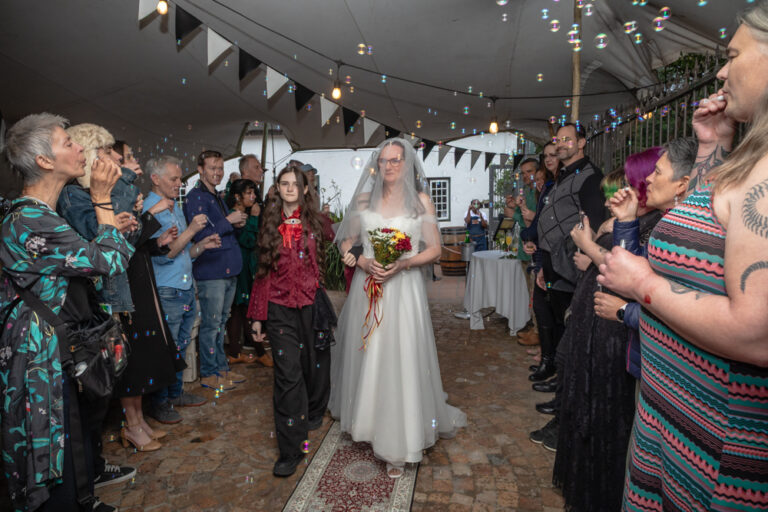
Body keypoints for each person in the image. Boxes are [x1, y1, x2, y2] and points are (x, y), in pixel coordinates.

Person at [599, 5, 768, 509]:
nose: (721, 70)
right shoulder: (748, 164)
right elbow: (701, 223)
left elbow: (757, 334)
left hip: (719, 444)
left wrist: (641, 284)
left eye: (734, 55)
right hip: (671, 417)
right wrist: (713, 145)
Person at [0, 113, 134, 511]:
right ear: (44, 160)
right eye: (67, 143)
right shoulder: (29, 218)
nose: (80, 149)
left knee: (69, 448)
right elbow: (110, 260)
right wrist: (102, 198)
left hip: (52, 356)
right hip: (38, 364)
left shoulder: (40, 214)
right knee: (52, 460)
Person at [329, 138, 467, 479]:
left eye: (396, 161)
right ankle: (369, 422)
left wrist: (404, 264)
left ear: (407, 165)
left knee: (401, 356)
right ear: (377, 165)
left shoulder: (420, 202)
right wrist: (361, 260)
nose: (389, 167)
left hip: (404, 290)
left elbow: (434, 249)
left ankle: (400, 441)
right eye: (384, 161)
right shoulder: (364, 200)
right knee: (371, 353)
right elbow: (346, 241)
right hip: (370, 287)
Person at [552, 148, 674, 511]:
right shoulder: (633, 220)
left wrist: (589, 247)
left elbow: (632, 275)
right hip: (599, 326)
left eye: (655, 175)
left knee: (607, 417)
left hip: (616, 333)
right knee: (588, 408)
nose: (649, 182)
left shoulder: (659, 225)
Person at [54, 122, 139, 497]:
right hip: (87, 305)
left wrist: (123, 226)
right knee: (93, 390)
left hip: (102, 297)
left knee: (101, 387)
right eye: (103, 152)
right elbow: (97, 253)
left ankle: (92, 468)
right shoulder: (73, 195)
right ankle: (86, 478)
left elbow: (112, 247)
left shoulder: (87, 195)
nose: (112, 158)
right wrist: (120, 192)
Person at [247, 164, 336, 477]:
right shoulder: (269, 224)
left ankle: (314, 409)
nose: (289, 189)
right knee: (287, 377)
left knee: (315, 367)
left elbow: (339, 237)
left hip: (311, 306)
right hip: (279, 309)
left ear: (305, 189)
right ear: (277, 189)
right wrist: (258, 316)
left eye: (294, 184)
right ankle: (291, 450)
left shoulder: (318, 222)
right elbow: (262, 273)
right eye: (283, 184)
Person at [113, 157, 185, 452]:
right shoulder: (112, 202)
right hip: (126, 288)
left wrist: (158, 241)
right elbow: (121, 242)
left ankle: (139, 420)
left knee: (142, 358)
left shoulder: (126, 198)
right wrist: (150, 215)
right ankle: (130, 425)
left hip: (142, 281)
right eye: (124, 159)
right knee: (133, 361)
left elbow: (138, 243)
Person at [529, 123, 604, 384]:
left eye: (567, 139)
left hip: (571, 265)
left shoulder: (590, 176)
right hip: (551, 264)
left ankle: (565, 385)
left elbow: (594, 223)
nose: (560, 144)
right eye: (557, 140)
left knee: (568, 324)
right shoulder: (562, 175)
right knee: (551, 314)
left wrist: (588, 258)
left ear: (582, 142)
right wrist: (541, 265)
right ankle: (558, 375)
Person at [143, 156, 214, 423]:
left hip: (184, 286)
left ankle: (175, 394)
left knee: (181, 346)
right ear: (155, 179)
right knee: (166, 349)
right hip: (167, 290)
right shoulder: (150, 209)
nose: (178, 183)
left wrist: (201, 245)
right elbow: (164, 254)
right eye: (173, 179)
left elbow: (184, 250)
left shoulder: (174, 206)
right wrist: (193, 228)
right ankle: (159, 403)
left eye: (180, 179)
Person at [184, 150, 246, 390]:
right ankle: (210, 373)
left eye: (220, 168)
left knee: (221, 323)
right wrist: (228, 222)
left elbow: (224, 232)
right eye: (212, 168)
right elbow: (199, 235)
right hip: (211, 271)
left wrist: (235, 224)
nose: (217, 173)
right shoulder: (195, 198)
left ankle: (221, 369)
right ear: (200, 169)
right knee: (211, 325)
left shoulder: (217, 197)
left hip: (228, 269)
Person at [225, 178, 273, 367]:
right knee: (245, 309)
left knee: (242, 309)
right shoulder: (235, 215)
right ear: (237, 196)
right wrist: (253, 218)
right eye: (248, 193)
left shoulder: (243, 212)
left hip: (247, 266)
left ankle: (237, 352)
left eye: (254, 192)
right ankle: (258, 352)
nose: (253, 196)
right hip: (240, 268)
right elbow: (247, 241)